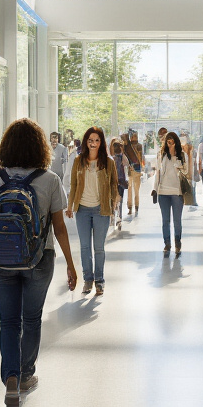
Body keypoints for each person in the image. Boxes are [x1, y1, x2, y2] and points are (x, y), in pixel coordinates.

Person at [0, 118, 79, 407]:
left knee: (8, 321)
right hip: (39, 259)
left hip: (2, 261)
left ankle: (9, 377)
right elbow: (59, 229)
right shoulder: (50, 180)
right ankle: (25, 375)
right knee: (31, 319)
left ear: (6, 145)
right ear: (40, 147)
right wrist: (71, 265)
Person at [65, 126, 118, 297]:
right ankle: (88, 279)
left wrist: (112, 204)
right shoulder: (78, 160)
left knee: (99, 248)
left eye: (96, 140)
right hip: (82, 209)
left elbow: (113, 184)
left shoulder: (108, 162)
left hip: (101, 209)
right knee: (85, 247)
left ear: (101, 142)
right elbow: (73, 184)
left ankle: (100, 281)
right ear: (86, 142)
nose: (93, 143)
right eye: (90, 140)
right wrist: (70, 205)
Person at [154, 131, 188, 256]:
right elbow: (158, 173)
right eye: (168, 140)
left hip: (177, 192)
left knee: (177, 220)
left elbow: (186, 170)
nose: (169, 142)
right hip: (163, 192)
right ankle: (167, 243)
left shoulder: (182, 155)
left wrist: (175, 154)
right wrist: (155, 189)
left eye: (172, 140)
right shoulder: (161, 155)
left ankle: (177, 242)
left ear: (175, 141)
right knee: (165, 220)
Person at [124, 128, 144, 216]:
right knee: (129, 189)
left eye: (135, 136)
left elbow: (140, 158)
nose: (134, 137)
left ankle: (136, 206)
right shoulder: (127, 146)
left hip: (137, 169)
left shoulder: (139, 146)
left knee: (136, 190)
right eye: (132, 136)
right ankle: (130, 207)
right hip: (129, 170)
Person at [111, 137, 128, 232]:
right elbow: (127, 164)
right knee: (117, 200)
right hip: (117, 181)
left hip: (118, 181)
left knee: (118, 200)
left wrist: (122, 153)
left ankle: (117, 217)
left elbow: (127, 164)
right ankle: (116, 216)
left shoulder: (118, 158)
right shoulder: (111, 158)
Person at [183, 134, 198, 210]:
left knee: (192, 187)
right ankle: (191, 201)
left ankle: (192, 201)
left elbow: (194, 164)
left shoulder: (192, 152)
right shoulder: (181, 153)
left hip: (190, 175)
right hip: (186, 175)